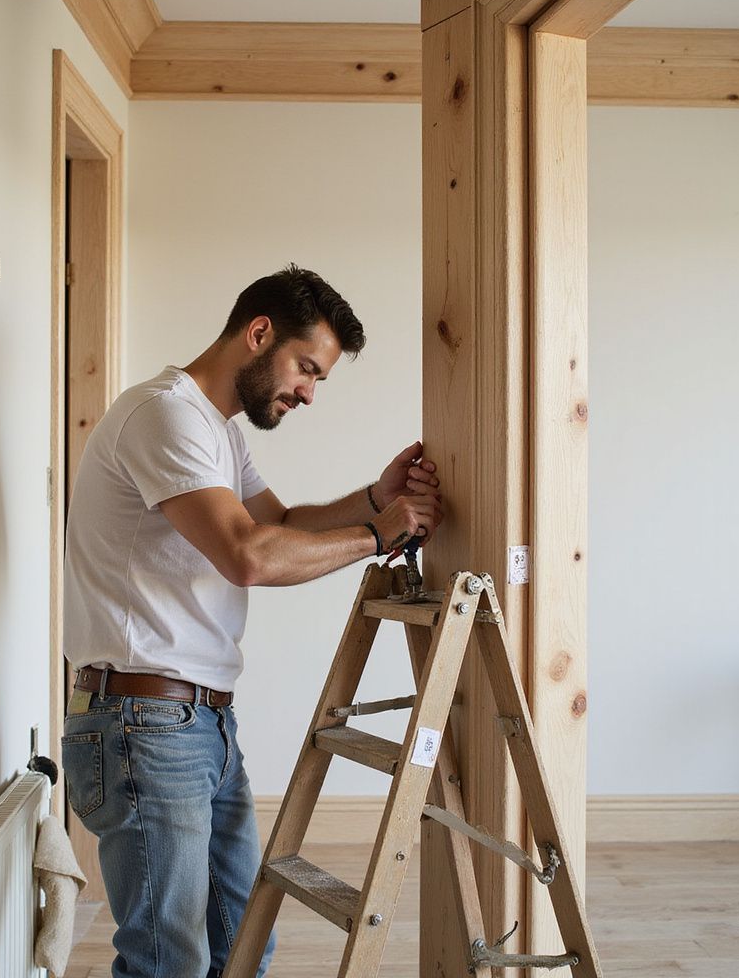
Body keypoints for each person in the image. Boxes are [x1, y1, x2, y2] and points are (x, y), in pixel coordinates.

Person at [61, 264, 442, 978]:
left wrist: (373, 497)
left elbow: (281, 524)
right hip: (143, 723)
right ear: (258, 332)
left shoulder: (216, 431)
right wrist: (381, 535)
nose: (307, 392)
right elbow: (248, 556)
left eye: (319, 379)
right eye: (306, 369)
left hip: (198, 724)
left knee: (242, 942)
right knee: (165, 960)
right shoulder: (164, 414)